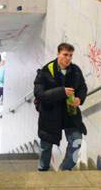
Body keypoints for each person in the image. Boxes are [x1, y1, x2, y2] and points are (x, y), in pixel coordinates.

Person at [33, 43, 87, 171]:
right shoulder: (46, 71)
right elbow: (39, 94)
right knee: (46, 147)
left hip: (70, 114)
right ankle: (43, 169)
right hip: (50, 115)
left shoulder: (75, 71)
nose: (68, 58)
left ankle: (65, 169)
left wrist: (79, 99)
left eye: (70, 55)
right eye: (65, 55)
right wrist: (61, 92)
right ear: (58, 54)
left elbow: (82, 87)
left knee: (76, 141)